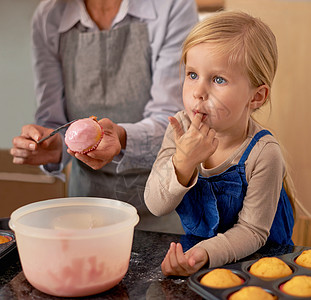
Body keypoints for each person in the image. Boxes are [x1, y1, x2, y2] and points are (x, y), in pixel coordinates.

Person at [10, 0, 199, 233]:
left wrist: (119, 137)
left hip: (165, 199)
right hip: (87, 207)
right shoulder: (49, 16)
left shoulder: (171, 6)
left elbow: (173, 123)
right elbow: (54, 121)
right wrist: (52, 145)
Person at [144, 11, 295, 276]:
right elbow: (156, 205)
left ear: (256, 97)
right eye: (192, 74)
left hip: (259, 266)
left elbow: (252, 232)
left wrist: (204, 253)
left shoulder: (263, 153)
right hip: (200, 260)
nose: (198, 91)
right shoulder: (180, 131)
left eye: (218, 79)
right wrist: (183, 162)